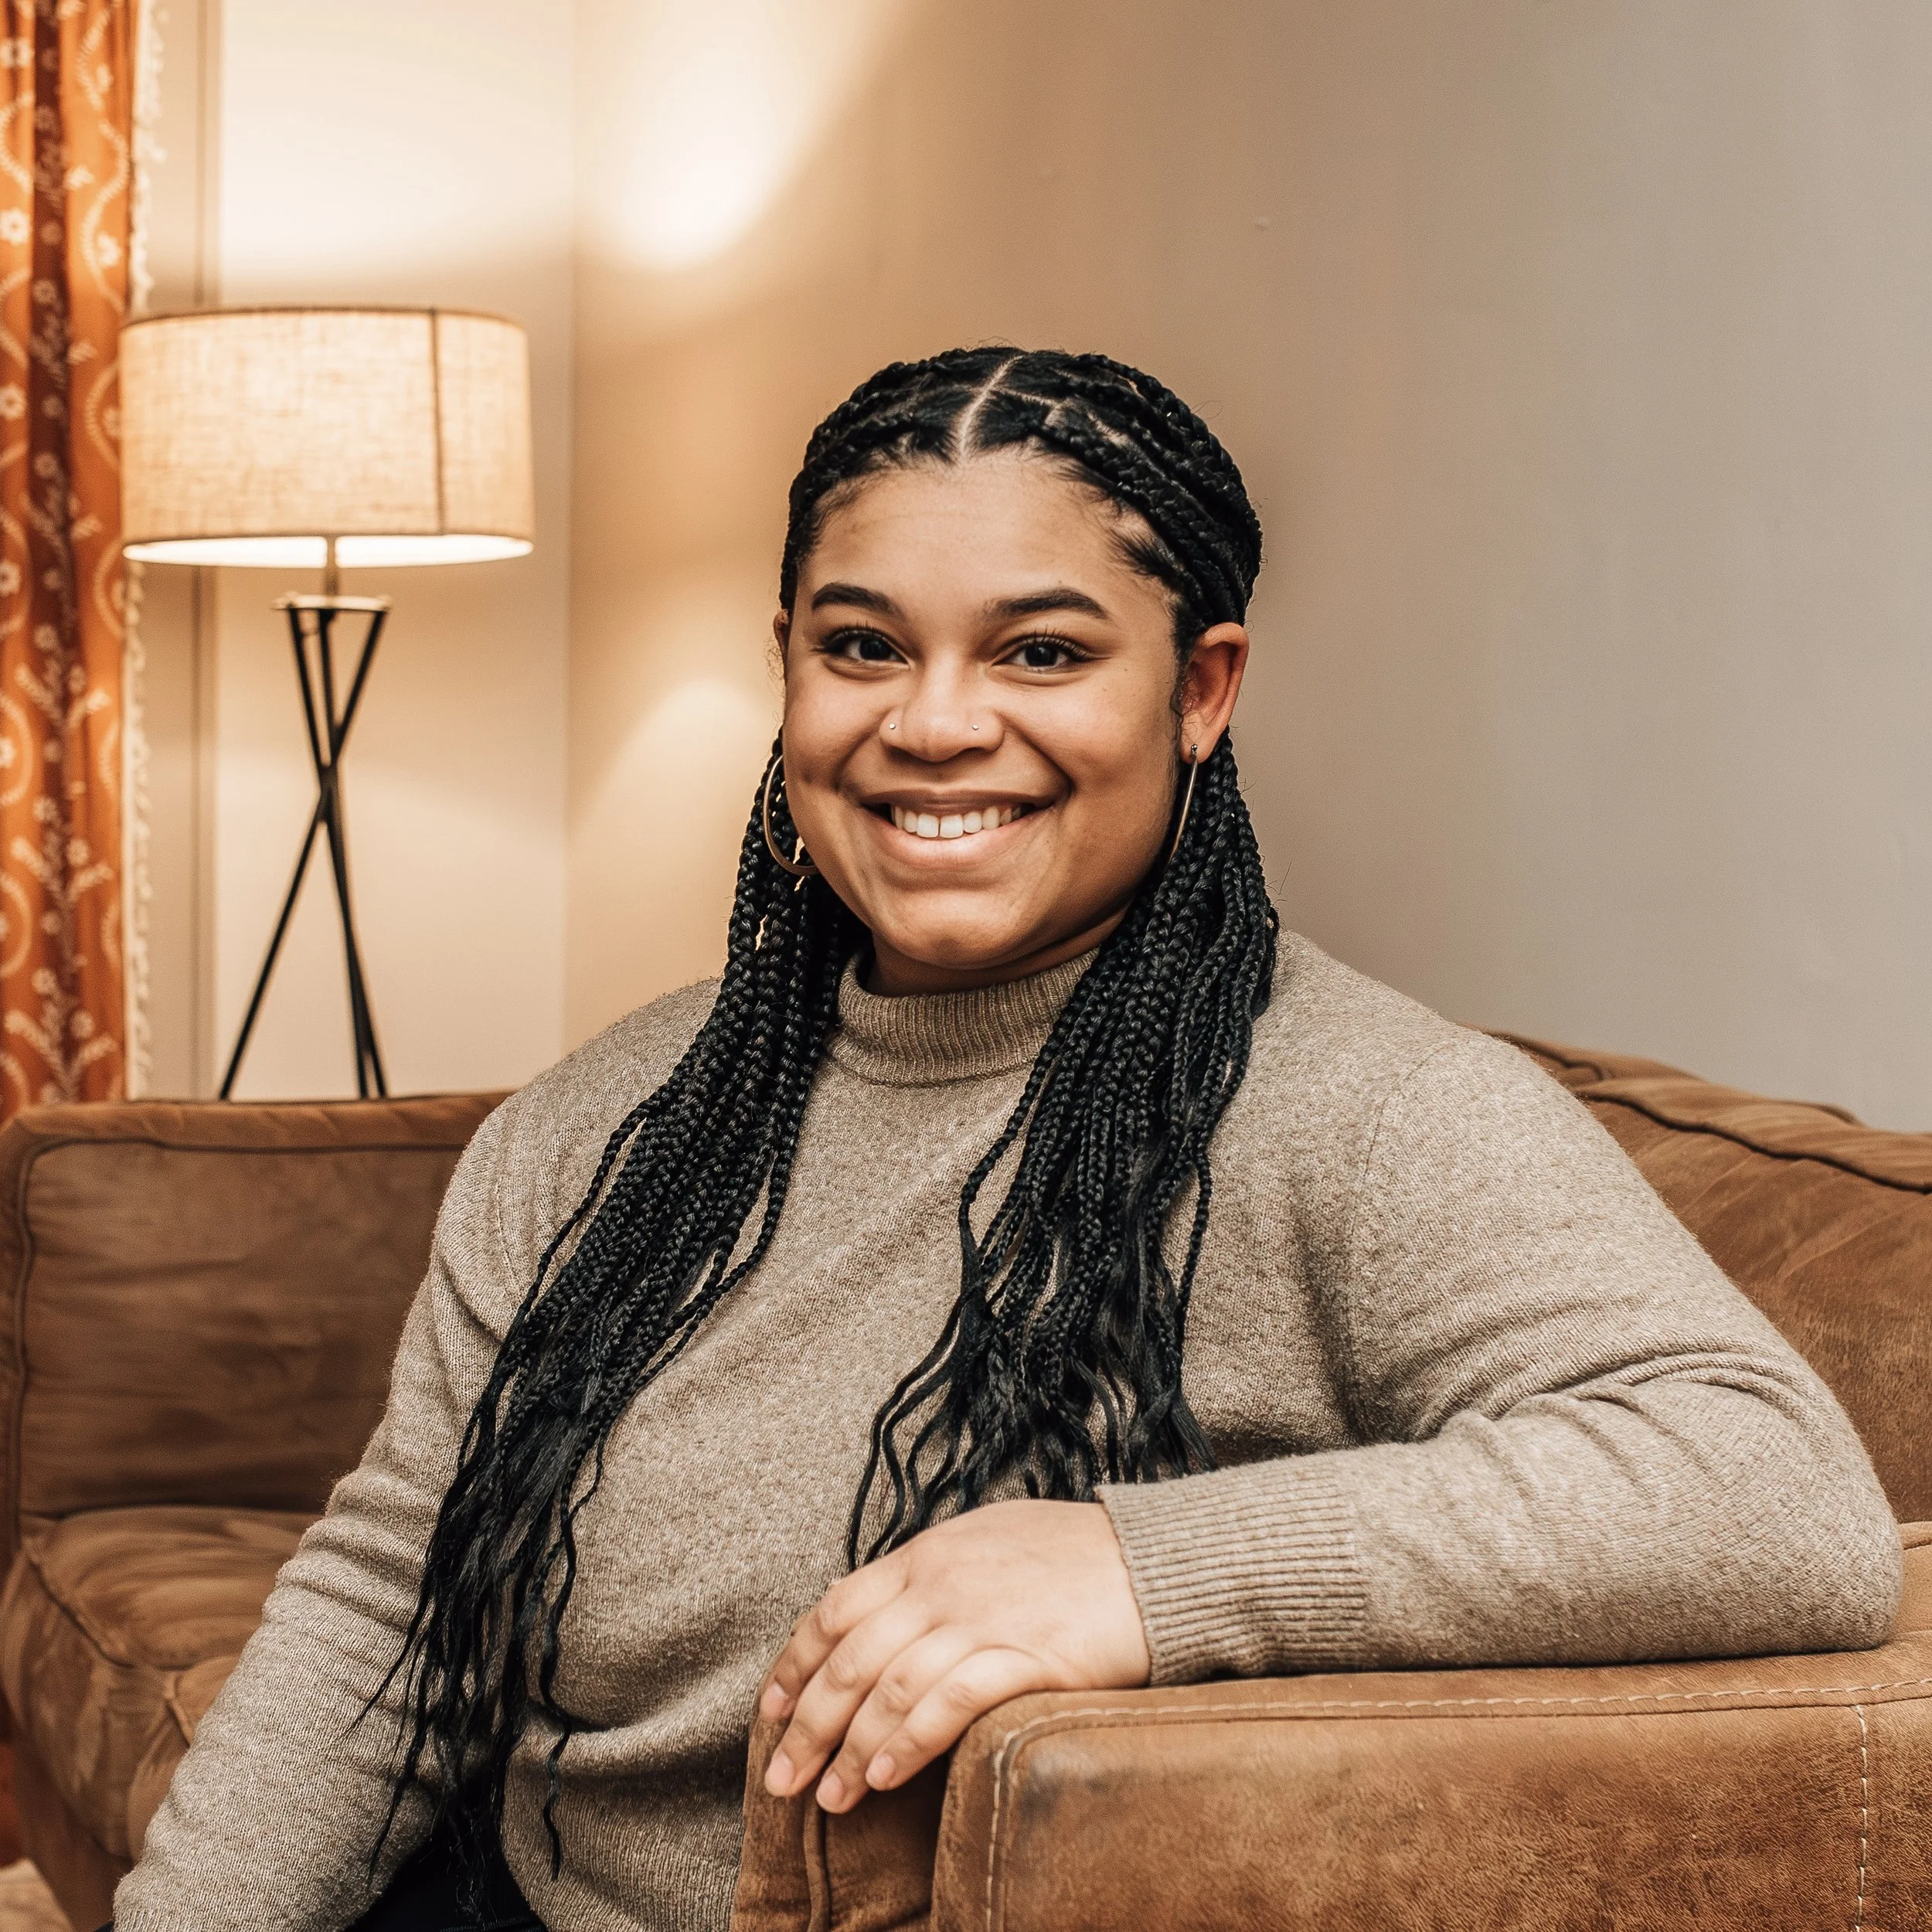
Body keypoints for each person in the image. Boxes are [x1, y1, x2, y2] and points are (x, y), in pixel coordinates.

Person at [113, 349, 1900, 1932]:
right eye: (860, 645)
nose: (933, 720)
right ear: (788, 677)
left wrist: (1135, 1561)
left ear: (1201, 692)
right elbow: (387, 1602)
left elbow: (1770, 1496)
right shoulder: (591, 1122)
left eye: (1040, 649)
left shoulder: (1366, 1109)